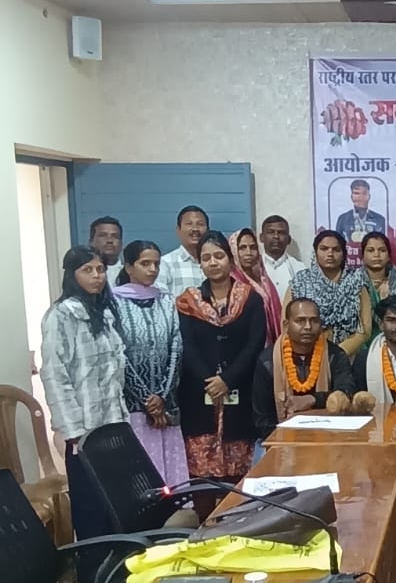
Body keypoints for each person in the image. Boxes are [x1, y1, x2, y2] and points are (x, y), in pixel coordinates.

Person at [40, 246, 126, 562]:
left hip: (112, 424)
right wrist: (73, 430)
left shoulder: (104, 312)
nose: (96, 276)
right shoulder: (60, 315)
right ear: (72, 275)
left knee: (116, 500)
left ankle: (118, 565)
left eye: (100, 269)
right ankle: (93, 570)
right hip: (83, 430)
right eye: (87, 270)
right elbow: (54, 374)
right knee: (90, 504)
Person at [176, 230, 265, 484]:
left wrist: (227, 379)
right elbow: (187, 345)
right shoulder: (188, 301)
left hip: (241, 390)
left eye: (219, 256)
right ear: (200, 263)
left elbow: (255, 344)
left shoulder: (250, 299)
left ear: (230, 259)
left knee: (239, 479)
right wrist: (209, 381)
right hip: (198, 394)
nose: (213, 262)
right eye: (206, 258)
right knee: (202, 480)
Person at [112, 239, 188, 486]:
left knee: (171, 476)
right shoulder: (114, 304)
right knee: (143, 474)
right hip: (135, 405)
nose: (152, 269)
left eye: (156, 264)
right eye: (145, 264)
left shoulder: (165, 300)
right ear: (128, 267)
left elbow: (176, 347)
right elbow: (119, 355)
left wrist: (162, 397)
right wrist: (147, 400)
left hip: (166, 405)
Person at [252, 297, 357, 443]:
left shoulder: (335, 355)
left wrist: (312, 399)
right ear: (286, 325)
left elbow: (346, 393)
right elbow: (262, 419)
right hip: (281, 440)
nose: (308, 326)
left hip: (329, 439)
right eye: (300, 321)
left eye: (314, 321)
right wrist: (290, 443)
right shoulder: (267, 361)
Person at [289, 229, 372, 358]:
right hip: (307, 355)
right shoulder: (300, 282)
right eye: (324, 249)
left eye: (336, 250)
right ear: (315, 252)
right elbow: (287, 323)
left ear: (344, 254)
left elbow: (364, 330)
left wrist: (337, 355)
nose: (330, 254)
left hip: (348, 357)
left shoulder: (356, 282)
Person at [360, 231, 396, 338]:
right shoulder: (353, 283)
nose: (377, 255)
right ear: (362, 256)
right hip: (361, 344)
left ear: (389, 256)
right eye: (370, 250)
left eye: (382, 250)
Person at [229, 228, 283, 346]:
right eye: (242, 248)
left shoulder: (264, 280)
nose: (248, 252)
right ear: (233, 251)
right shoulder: (231, 282)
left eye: (253, 247)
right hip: (243, 345)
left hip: (268, 345)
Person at [158, 205, 210, 296]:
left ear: (208, 230)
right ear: (178, 230)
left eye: (200, 224)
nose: (195, 229)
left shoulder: (215, 263)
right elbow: (160, 300)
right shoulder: (165, 263)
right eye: (189, 224)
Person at [259, 214, 305, 300]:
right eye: (271, 232)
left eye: (281, 233)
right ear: (261, 237)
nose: (276, 236)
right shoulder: (253, 268)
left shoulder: (300, 270)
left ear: (289, 240)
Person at [335, 179, 387, 243]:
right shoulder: (342, 219)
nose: (361, 197)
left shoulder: (380, 220)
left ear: (369, 196)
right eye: (356, 193)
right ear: (352, 197)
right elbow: (337, 243)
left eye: (364, 193)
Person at [89, 216, 123, 286]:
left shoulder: (132, 273)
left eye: (115, 236)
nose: (109, 240)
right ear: (91, 242)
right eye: (103, 235)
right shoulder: (82, 273)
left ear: (121, 243)